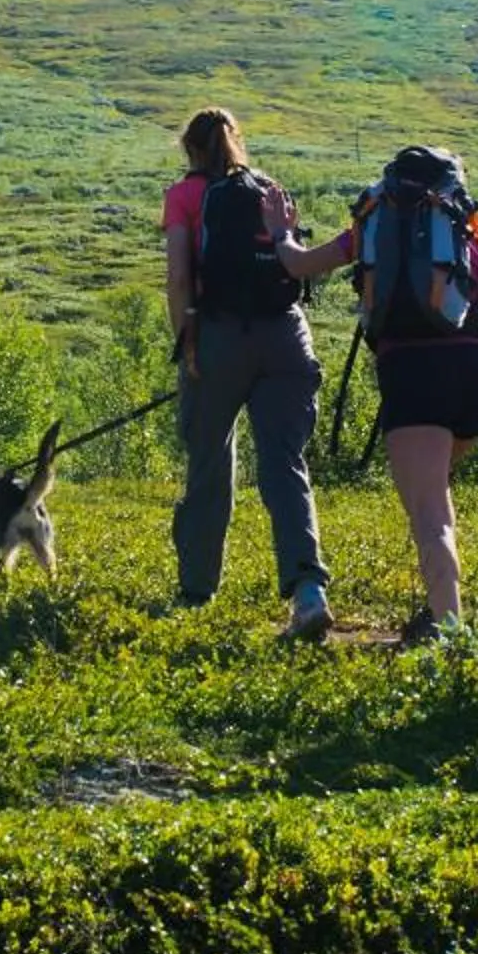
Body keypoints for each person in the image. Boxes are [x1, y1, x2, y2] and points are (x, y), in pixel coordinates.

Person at [269, 148, 478, 640]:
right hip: (477, 379)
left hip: (412, 375)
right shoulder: (469, 240)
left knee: (429, 515)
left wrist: (281, 231)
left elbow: (299, 265)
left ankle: (447, 631)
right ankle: (439, 607)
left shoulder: (371, 231)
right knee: (435, 495)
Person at [164, 108, 335, 637]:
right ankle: (307, 592)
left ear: (189, 148)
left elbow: (178, 278)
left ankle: (197, 589)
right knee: (284, 463)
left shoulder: (184, 197)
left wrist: (186, 341)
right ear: (236, 143)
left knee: (209, 460)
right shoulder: (268, 189)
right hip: (286, 333)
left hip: (220, 336)